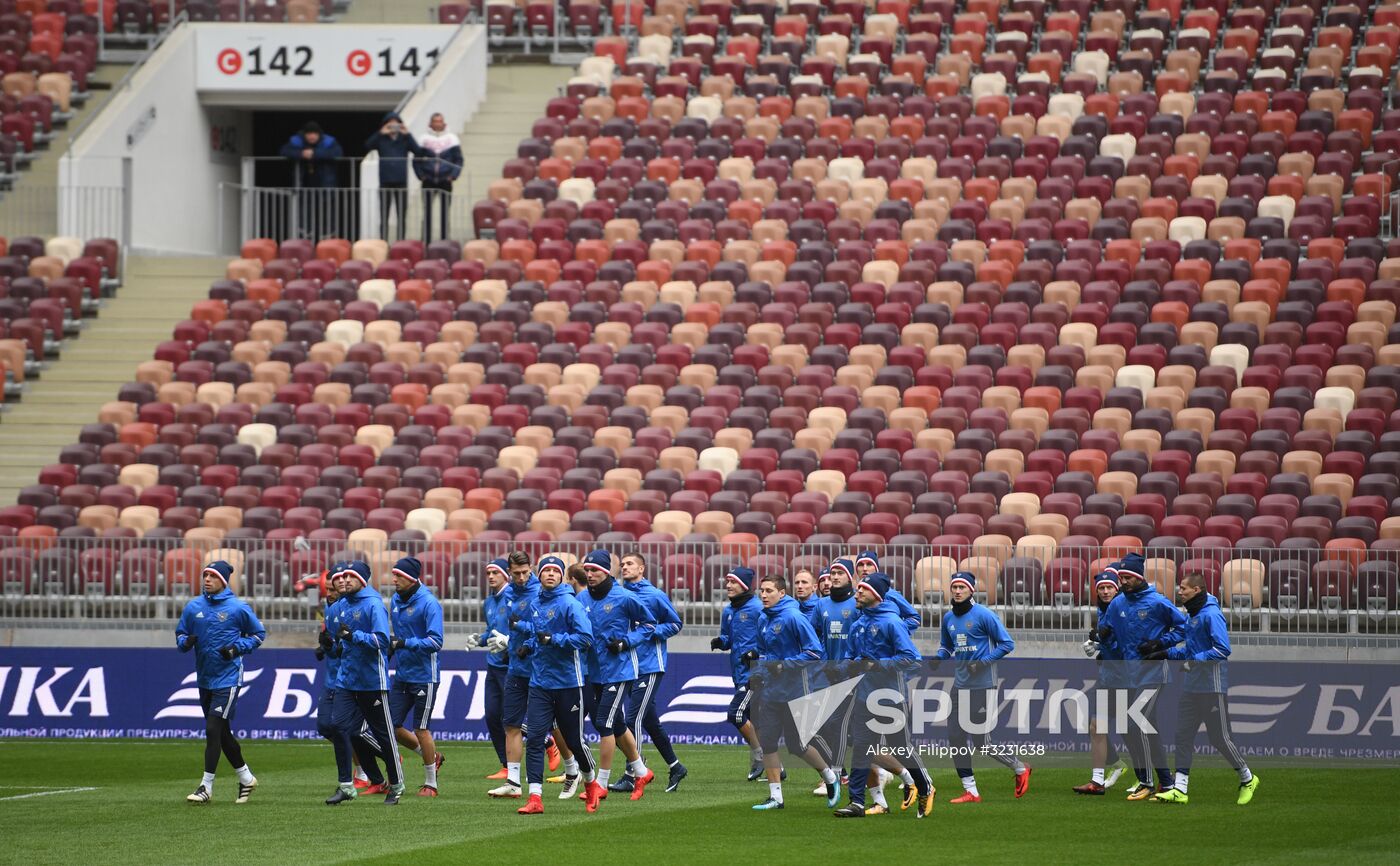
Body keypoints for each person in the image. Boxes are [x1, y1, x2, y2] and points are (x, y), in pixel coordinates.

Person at [832, 572, 936, 818]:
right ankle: (856, 802)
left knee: (900, 749)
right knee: (861, 748)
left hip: (891, 697)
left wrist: (877, 664)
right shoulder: (858, 625)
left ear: (876, 595)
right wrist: (843, 667)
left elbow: (912, 660)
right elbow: (852, 656)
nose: (857, 593)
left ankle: (925, 787)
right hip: (864, 696)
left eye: (862, 590)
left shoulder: (892, 622)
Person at [1153, 572, 1259, 806]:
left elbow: (1223, 650)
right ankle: (1180, 789)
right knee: (1182, 736)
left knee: (1220, 738)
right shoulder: (1192, 615)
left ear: (1196, 590)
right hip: (1191, 687)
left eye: (1183, 588)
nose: (1179, 591)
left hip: (1212, 687)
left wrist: (1194, 660)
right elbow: (1189, 651)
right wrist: (1163, 653)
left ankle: (1247, 778)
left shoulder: (1211, 614)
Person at [1098, 552, 1187, 800]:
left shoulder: (1157, 602)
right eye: (1121, 577)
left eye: (1127, 577)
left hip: (1153, 672)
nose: (1123, 581)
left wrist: (1161, 644)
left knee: (1136, 720)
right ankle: (1167, 783)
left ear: (1139, 577)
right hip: (1129, 674)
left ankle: (1146, 782)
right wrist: (1102, 638)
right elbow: (1111, 634)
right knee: (1145, 729)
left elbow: (1183, 628)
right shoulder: (1118, 604)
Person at [749, 574, 842, 811]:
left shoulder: (793, 617)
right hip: (771, 691)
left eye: (769, 590)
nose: (764, 594)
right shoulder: (762, 618)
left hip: (795, 690)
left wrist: (785, 664)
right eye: (762, 590)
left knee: (797, 746)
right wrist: (758, 668)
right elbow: (763, 650)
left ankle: (830, 777)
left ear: (782, 593)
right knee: (768, 742)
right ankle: (776, 797)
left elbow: (814, 652)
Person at [176, 559, 265, 805]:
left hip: (228, 678)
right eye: (205, 575)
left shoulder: (238, 608)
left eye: (213, 576)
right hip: (204, 678)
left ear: (223, 581)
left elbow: (259, 635)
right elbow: (180, 635)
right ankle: (246, 778)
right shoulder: (193, 607)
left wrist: (237, 648)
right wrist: (186, 642)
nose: (207, 580)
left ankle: (206, 787)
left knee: (213, 729)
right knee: (223, 733)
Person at [935, 570, 1028, 803]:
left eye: (961, 587)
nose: (957, 591)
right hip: (959, 685)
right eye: (954, 587)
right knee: (955, 737)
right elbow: (947, 646)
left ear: (971, 590)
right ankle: (971, 791)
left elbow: (1007, 644)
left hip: (983, 685)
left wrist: (983, 662)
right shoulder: (948, 618)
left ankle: (1019, 768)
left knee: (981, 743)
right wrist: (938, 657)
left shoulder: (984, 615)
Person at [574, 551, 658, 804]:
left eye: (595, 570)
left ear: (607, 572)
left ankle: (601, 782)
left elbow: (650, 625)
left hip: (620, 669)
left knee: (604, 723)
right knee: (618, 723)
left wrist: (625, 642)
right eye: (587, 570)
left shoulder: (624, 597)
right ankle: (641, 772)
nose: (589, 575)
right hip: (594, 670)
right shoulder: (581, 597)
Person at [518, 553, 598, 815]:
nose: (550, 574)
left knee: (574, 740)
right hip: (540, 682)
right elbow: (536, 634)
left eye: (555, 570)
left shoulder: (570, 604)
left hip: (568, 683)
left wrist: (554, 639)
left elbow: (585, 639)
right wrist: (529, 646)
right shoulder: (535, 603)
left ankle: (591, 782)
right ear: (538, 575)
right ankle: (535, 798)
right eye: (546, 570)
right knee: (535, 738)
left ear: (562, 576)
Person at [610, 550, 688, 794]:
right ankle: (675, 766)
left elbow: (675, 623)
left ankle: (633, 774)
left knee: (632, 719)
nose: (624, 567)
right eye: (622, 564)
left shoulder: (654, 595)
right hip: (628, 667)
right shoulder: (620, 595)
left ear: (642, 569)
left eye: (630, 563)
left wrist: (650, 631)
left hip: (649, 666)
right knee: (650, 722)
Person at [332, 560, 405, 805]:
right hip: (346, 679)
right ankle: (346, 785)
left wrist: (353, 636)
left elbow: (382, 640)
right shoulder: (342, 604)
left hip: (372, 680)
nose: (345, 581)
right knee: (340, 728)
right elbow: (341, 638)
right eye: (343, 577)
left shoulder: (373, 604)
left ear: (362, 580)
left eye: (351, 577)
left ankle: (396, 785)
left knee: (384, 735)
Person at [388, 556, 446, 797]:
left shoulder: (429, 604)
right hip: (403, 673)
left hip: (425, 675)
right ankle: (433, 757)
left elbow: (436, 641)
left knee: (421, 728)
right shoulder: (394, 600)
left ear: (411, 578)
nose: (394, 580)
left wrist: (404, 643)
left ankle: (431, 782)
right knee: (390, 724)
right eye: (394, 575)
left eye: (399, 576)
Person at [1073, 566, 1130, 795]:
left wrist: (1102, 647)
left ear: (1117, 589)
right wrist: (1098, 649)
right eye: (1102, 588)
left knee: (1134, 732)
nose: (1105, 591)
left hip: (1127, 676)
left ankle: (1161, 779)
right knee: (1096, 726)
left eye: (1109, 587)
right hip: (1109, 675)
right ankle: (1099, 779)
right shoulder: (1103, 610)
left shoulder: (1124, 609)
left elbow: (1126, 642)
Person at [711, 567, 766, 781]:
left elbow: (768, 638)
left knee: (736, 714)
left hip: (756, 672)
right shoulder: (728, 611)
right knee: (753, 720)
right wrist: (721, 642)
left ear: (743, 585)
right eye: (727, 582)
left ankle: (761, 756)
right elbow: (728, 638)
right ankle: (775, 766)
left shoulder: (758, 609)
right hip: (737, 671)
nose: (728, 586)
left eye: (732, 582)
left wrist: (757, 653)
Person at [490, 555, 537, 799]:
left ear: (532, 569)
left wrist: (521, 635)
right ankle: (514, 783)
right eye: (516, 573)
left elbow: (545, 629)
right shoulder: (507, 595)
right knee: (511, 724)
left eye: (525, 572)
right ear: (509, 571)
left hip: (541, 669)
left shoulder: (540, 593)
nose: (521, 577)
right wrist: (506, 643)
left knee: (554, 727)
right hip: (516, 669)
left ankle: (575, 770)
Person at [317, 562, 360, 805]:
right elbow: (335, 646)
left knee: (346, 728)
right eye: (327, 589)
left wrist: (335, 646)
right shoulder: (330, 607)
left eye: (332, 588)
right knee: (326, 726)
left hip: (353, 678)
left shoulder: (357, 606)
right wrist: (325, 646)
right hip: (333, 676)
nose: (330, 593)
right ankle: (360, 773)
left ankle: (361, 774)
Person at [468, 558, 513, 781]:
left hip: (511, 664)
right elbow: (491, 630)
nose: (491, 577)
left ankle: (548, 743)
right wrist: (480, 639)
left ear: (506, 574)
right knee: (492, 715)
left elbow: (522, 629)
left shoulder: (514, 597)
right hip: (493, 664)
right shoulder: (489, 602)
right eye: (488, 573)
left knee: (513, 717)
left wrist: (509, 641)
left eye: (495, 572)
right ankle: (505, 765)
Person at [279, 121, 344, 240]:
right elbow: (284, 151)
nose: (311, 136)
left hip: (326, 185)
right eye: (309, 134)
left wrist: (314, 154)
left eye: (314, 133)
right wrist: (301, 154)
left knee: (327, 213)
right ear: (304, 134)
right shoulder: (296, 141)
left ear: (319, 134)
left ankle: (327, 239)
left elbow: (338, 153)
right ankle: (304, 238)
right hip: (303, 185)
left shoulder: (329, 141)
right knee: (304, 214)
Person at [364, 112, 420, 242]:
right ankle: (383, 242)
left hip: (401, 181)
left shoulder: (405, 139)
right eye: (390, 124)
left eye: (396, 123)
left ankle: (400, 242)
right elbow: (367, 146)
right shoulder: (381, 138)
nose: (393, 126)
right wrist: (380, 133)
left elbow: (418, 151)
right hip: (385, 181)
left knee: (402, 216)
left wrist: (408, 134)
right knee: (384, 215)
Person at [415, 112, 463, 242]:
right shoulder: (423, 139)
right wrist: (421, 175)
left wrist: (453, 176)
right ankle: (426, 240)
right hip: (428, 180)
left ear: (444, 123)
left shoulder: (452, 139)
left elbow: (458, 160)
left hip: (445, 180)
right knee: (427, 212)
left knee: (445, 213)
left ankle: (444, 240)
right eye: (435, 121)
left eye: (440, 121)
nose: (438, 124)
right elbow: (416, 159)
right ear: (430, 123)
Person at [854, 552, 920, 632]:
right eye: (860, 565)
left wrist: (893, 631)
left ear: (876, 568)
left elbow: (914, 618)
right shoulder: (853, 595)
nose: (864, 568)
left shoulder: (889, 593)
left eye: (869, 564)